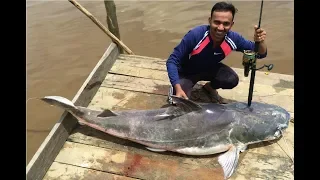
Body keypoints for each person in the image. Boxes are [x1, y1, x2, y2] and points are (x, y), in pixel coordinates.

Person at [166, 1, 267, 104]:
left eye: (226, 24)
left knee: (231, 79)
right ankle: (178, 89)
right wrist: (177, 88)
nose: (220, 28)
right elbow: (172, 61)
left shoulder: (234, 39)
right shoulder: (195, 35)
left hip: (209, 69)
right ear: (210, 21)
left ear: (231, 25)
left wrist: (260, 41)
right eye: (217, 22)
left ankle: (208, 88)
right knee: (177, 103)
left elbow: (260, 53)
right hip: (186, 72)